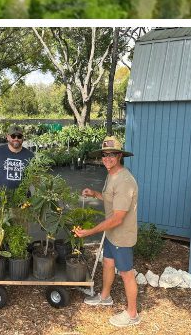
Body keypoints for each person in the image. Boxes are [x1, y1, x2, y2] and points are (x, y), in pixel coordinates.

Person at [74, 137, 141, 328]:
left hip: (122, 235)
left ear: (119, 156)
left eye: (112, 155)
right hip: (112, 234)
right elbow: (110, 199)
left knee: (127, 273)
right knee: (108, 265)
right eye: (104, 155)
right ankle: (105, 297)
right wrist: (94, 193)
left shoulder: (125, 180)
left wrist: (90, 232)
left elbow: (118, 217)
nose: (107, 158)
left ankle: (132, 314)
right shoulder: (111, 175)